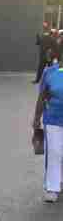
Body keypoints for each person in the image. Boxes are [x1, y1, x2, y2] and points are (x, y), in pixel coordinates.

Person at [33, 59, 63, 202]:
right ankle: (52, 187)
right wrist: (36, 118)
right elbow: (42, 96)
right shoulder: (50, 72)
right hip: (53, 119)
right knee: (54, 152)